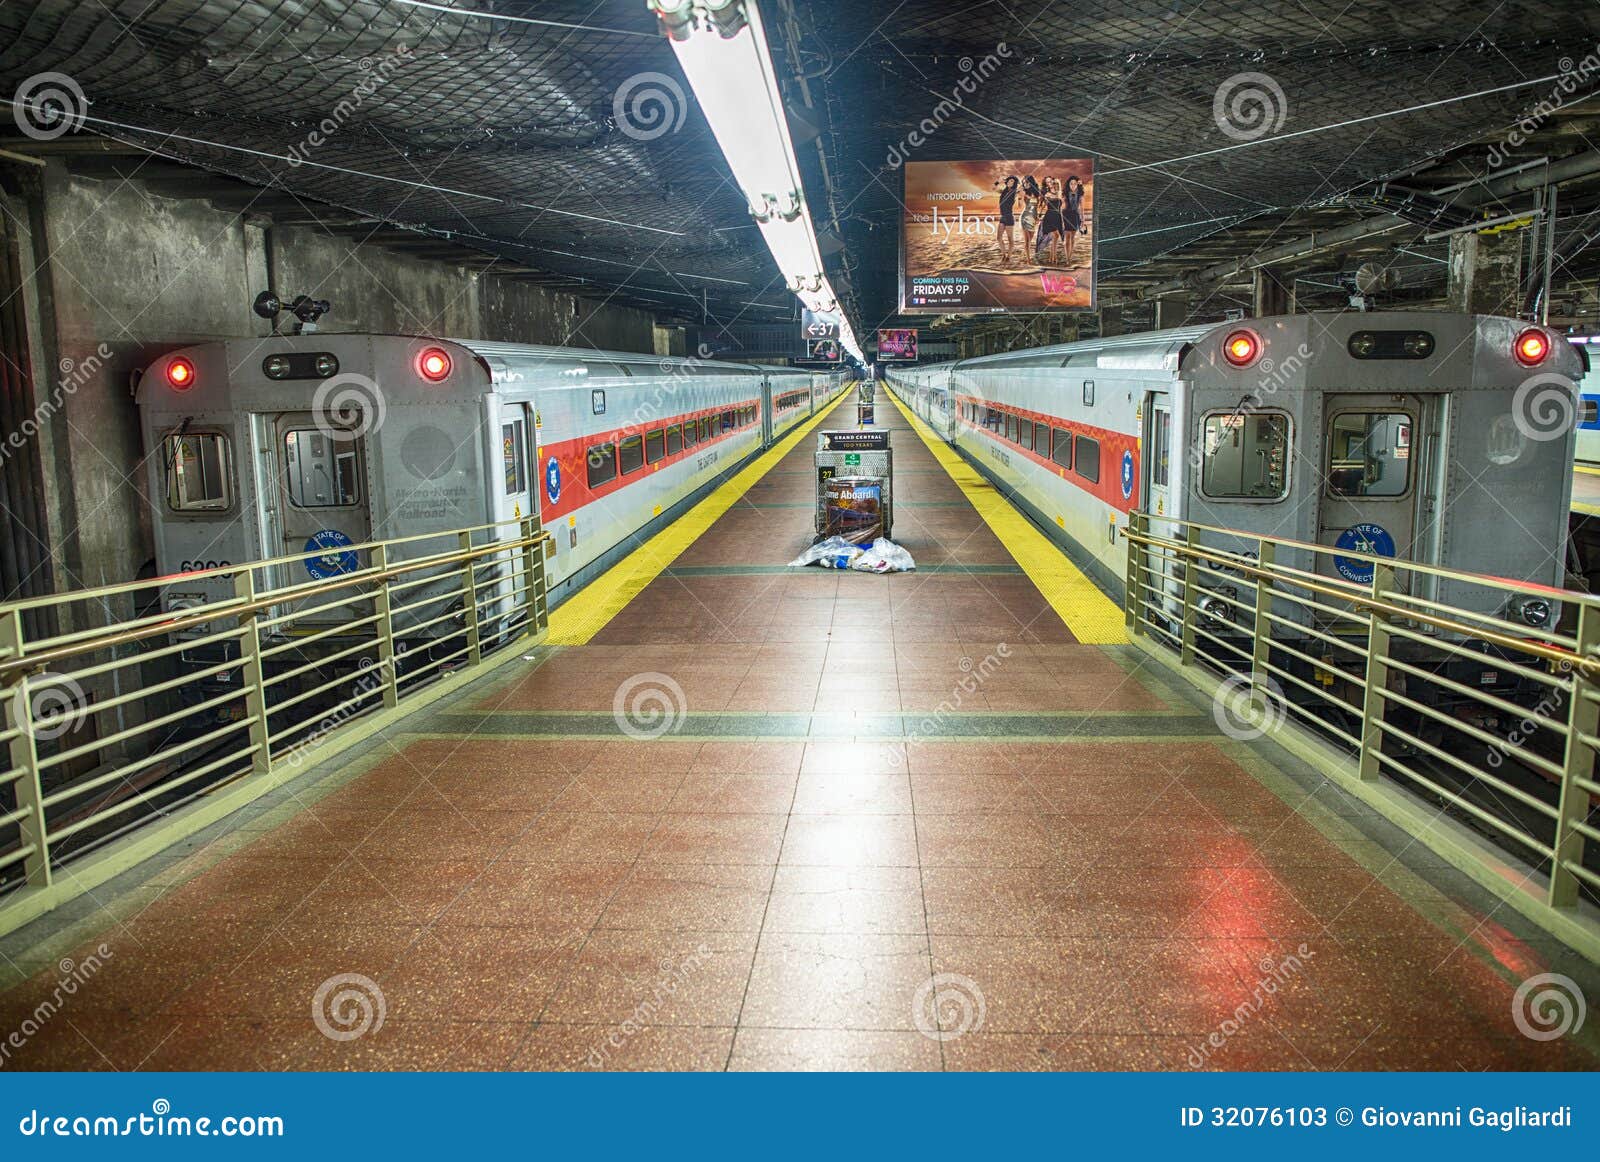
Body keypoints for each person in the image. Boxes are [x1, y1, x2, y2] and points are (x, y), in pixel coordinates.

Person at [1035, 177, 1066, 265]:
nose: (1052, 184)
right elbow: (1043, 206)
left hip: (1058, 217)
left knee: (1055, 238)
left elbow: (1060, 208)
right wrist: (1039, 215)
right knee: (1056, 235)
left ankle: (1051, 258)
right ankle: (1054, 258)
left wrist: (1062, 220)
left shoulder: (1059, 193)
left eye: (1052, 182)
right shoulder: (1047, 194)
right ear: (1048, 184)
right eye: (1049, 182)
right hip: (1050, 216)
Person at [1062, 176, 1088, 267]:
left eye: (1075, 184)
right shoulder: (1065, 193)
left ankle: (1069, 257)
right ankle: (1067, 258)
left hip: (1075, 216)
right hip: (1066, 215)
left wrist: (1083, 220)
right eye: (1071, 183)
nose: (1073, 185)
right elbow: (1061, 206)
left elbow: (1082, 209)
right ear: (1068, 185)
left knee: (1072, 238)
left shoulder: (1080, 195)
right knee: (1067, 239)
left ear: (1077, 185)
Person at [993, 175, 1019, 263]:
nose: (1010, 182)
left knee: (1010, 239)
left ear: (1014, 183)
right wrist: (998, 181)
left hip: (1009, 217)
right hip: (1003, 217)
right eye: (1009, 180)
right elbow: (994, 188)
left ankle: (1009, 257)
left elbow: (1020, 192)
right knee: (998, 237)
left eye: (1012, 181)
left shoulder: (1014, 192)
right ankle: (1004, 255)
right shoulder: (1004, 191)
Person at [1019, 175, 1041, 260]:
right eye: (1024, 182)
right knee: (1027, 240)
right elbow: (1020, 206)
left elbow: (1036, 207)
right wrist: (1020, 197)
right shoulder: (1023, 192)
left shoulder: (1036, 193)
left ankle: (1023, 256)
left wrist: (1037, 217)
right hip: (1025, 217)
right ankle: (1028, 260)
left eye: (1027, 182)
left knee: (1030, 240)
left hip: (1033, 217)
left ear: (1031, 182)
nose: (1025, 184)